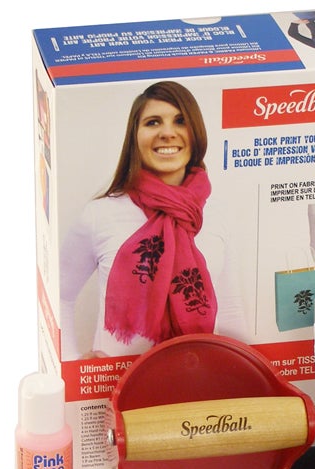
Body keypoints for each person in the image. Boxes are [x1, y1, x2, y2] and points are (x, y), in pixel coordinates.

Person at [60, 80, 242, 359]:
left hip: (197, 377)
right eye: (153, 122)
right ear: (135, 135)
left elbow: (231, 311)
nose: (167, 133)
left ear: (196, 133)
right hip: (118, 380)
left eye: (180, 121)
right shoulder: (100, 214)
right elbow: (60, 296)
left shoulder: (217, 213)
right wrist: (74, 369)